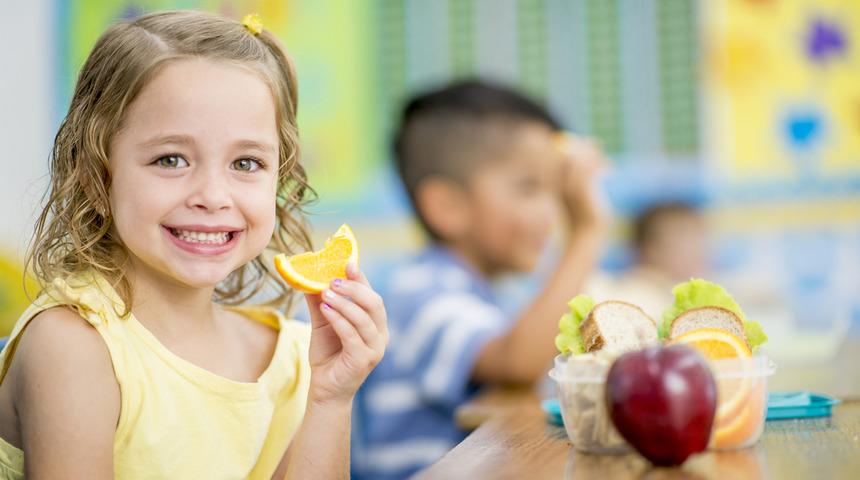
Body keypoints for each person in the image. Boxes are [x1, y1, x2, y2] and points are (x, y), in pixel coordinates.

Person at [0, 10, 387, 479]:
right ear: (96, 173)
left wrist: (329, 397)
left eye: (245, 164)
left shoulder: (291, 359)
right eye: (171, 159)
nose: (212, 197)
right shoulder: (73, 347)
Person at [351, 81, 607, 479]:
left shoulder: (488, 291)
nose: (550, 213)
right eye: (529, 188)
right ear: (447, 206)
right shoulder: (414, 290)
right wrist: (587, 232)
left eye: (555, 192)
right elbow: (516, 362)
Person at [586, 201, 709, 319]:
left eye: (698, 238)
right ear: (649, 249)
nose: (696, 250)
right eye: (683, 238)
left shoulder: (705, 294)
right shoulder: (618, 297)